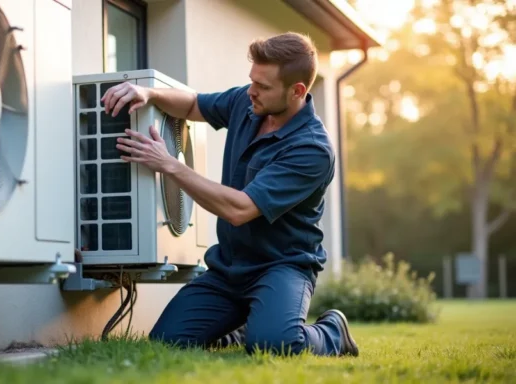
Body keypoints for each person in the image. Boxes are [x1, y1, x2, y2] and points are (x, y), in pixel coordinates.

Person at [100, 32, 358, 357]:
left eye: (263, 86)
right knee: (167, 343)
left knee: (273, 345)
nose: (252, 91)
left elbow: (240, 209)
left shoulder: (312, 149)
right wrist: (147, 92)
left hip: (281, 267)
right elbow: (194, 104)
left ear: (297, 91)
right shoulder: (246, 103)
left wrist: (170, 165)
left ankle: (333, 332)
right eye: (252, 81)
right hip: (229, 268)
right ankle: (236, 331)